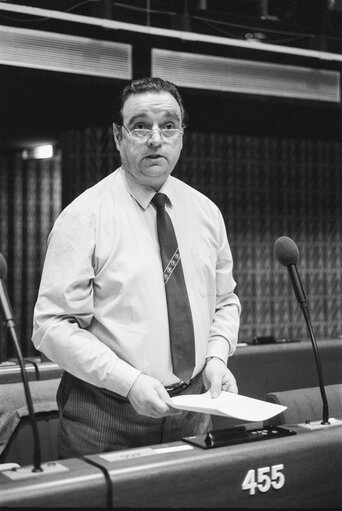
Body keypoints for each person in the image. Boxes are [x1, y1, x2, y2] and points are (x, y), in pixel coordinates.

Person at [32, 77, 241, 458]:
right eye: (141, 125)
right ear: (118, 136)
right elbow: (51, 326)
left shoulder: (206, 213)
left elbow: (225, 302)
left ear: (181, 135)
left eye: (168, 125)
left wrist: (216, 358)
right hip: (106, 415)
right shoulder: (83, 217)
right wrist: (128, 383)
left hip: (193, 411)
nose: (155, 138)